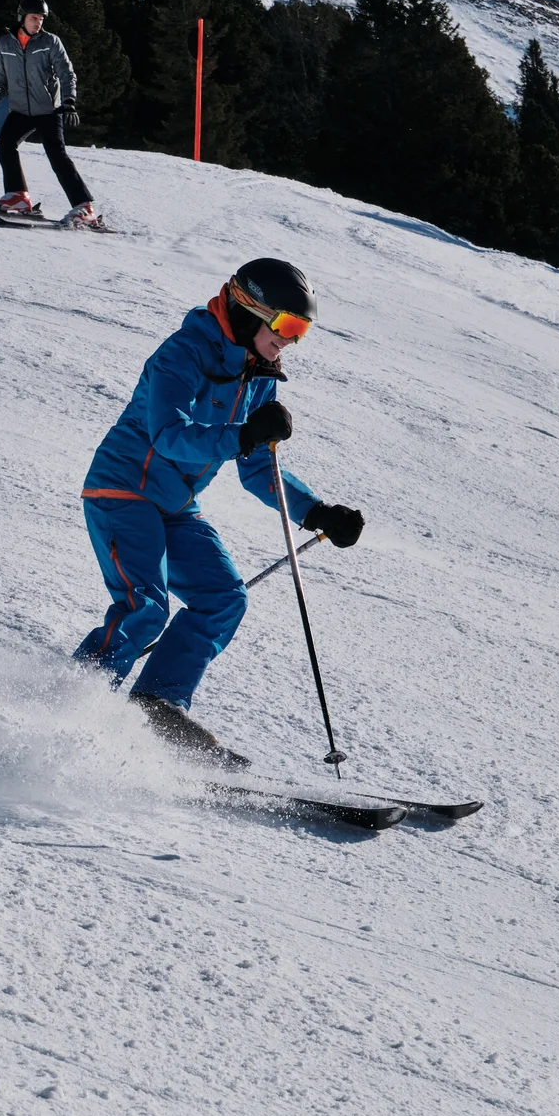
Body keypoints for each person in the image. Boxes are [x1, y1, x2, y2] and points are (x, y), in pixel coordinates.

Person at [74, 259, 367, 765]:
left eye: (303, 332)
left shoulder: (259, 377)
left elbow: (256, 470)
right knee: (145, 608)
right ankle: (71, 704)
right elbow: (168, 435)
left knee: (223, 597)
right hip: (123, 490)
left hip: (175, 504)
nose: (292, 341)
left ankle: (156, 705)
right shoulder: (183, 353)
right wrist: (244, 434)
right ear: (252, 310)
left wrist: (316, 512)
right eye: (288, 327)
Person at [0, 0, 99, 228]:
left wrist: (69, 102)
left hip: (48, 109)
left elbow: (67, 73)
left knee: (57, 154)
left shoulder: (50, 42)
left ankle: (84, 207)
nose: (38, 23)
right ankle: (18, 195)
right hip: (21, 111)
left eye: (41, 19)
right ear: (22, 18)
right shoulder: (5, 44)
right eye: (34, 18)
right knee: (5, 143)